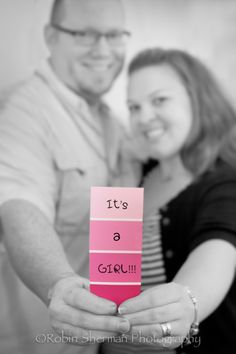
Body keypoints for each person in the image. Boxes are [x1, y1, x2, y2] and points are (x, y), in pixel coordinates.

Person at [0, 0, 140, 353]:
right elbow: (19, 204)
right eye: (85, 34)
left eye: (113, 35)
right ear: (51, 36)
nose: (103, 50)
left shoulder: (117, 125)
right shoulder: (20, 112)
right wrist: (59, 284)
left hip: (92, 344)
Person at [101, 48, 236, 354]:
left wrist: (188, 301)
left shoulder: (225, 182)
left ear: (197, 99)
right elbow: (111, 279)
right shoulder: (138, 175)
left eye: (159, 100)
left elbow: (219, 250)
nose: (143, 117)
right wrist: (122, 178)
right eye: (134, 107)